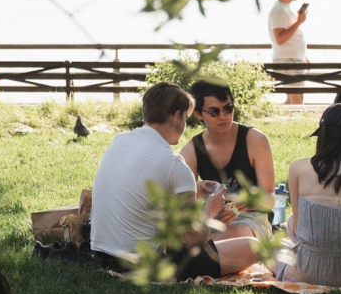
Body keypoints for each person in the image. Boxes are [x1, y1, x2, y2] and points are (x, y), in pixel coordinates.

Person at [90, 81, 260, 280]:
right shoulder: (174, 164)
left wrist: (192, 188)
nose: (185, 126)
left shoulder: (119, 141)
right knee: (253, 247)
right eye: (186, 118)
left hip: (100, 254)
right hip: (143, 265)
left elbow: (142, 186)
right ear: (177, 115)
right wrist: (210, 211)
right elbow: (193, 238)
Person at [276, 104, 341, 288]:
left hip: (308, 270)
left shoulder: (298, 168)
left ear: (323, 135)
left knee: (278, 241)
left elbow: (298, 229)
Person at [181, 80, 275, 240]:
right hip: (213, 218)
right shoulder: (191, 150)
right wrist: (197, 191)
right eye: (214, 112)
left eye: (228, 109)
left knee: (219, 242)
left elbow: (269, 199)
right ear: (198, 114)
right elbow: (183, 205)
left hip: (252, 219)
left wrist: (243, 205)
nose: (223, 117)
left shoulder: (255, 140)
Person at [268, 0, 308, 105]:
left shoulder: (284, 8)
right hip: (288, 61)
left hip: (293, 60)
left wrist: (303, 57)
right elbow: (279, 39)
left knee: (293, 100)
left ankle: (280, 119)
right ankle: (297, 123)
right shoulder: (279, 10)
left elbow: (290, 36)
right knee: (297, 102)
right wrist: (299, 22)